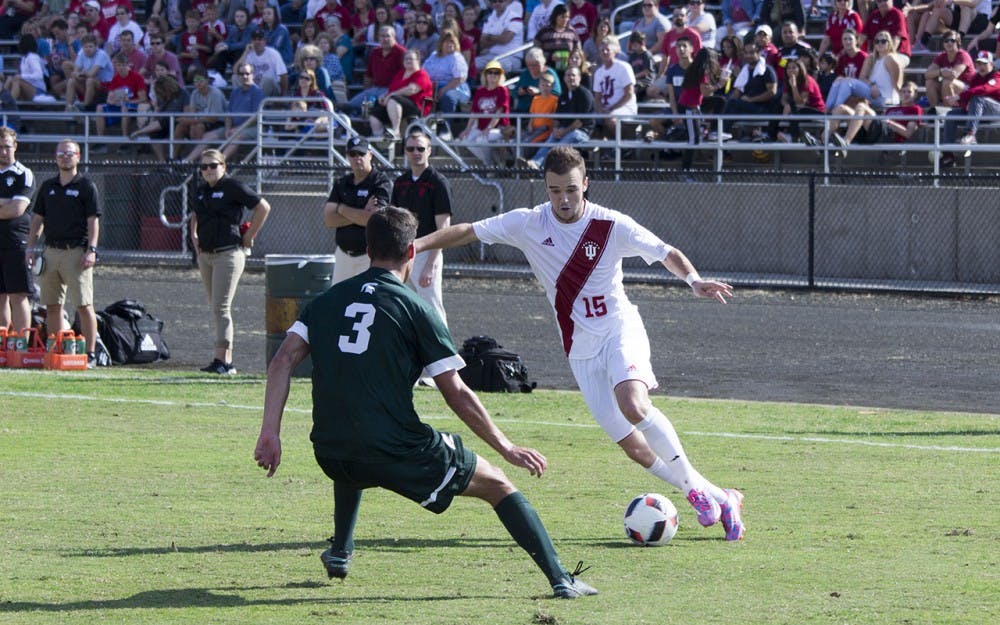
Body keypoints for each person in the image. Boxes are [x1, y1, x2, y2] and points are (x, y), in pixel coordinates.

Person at [253, 205, 598, 600]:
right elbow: (457, 393)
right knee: (500, 485)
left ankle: (340, 552)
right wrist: (506, 446)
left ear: (367, 249)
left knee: (352, 451)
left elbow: (281, 360)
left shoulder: (326, 300)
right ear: (412, 253)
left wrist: (270, 434)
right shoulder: (417, 309)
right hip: (395, 451)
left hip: (331, 451)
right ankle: (561, 579)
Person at [415, 146, 745, 542]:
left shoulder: (610, 224)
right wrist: (416, 246)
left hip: (620, 330)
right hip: (580, 350)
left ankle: (693, 489)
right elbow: (468, 230)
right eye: (555, 191)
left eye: (571, 189)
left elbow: (665, 252)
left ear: (585, 184)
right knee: (636, 449)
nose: (564, 199)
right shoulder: (528, 223)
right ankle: (722, 497)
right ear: (546, 188)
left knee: (634, 405)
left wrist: (694, 281)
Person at [189, 149, 271, 375]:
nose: (208, 170)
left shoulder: (233, 186)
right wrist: (194, 237)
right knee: (215, 307)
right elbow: (195, 214)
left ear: (224, 166)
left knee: (221, 307)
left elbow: (263, 207)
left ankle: (224, 361)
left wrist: (249, 235)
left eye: (213, 165)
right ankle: (221, 360)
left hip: (228, 253)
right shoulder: (200, 191)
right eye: (204, 167)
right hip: (206, 254)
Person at [25, 139, 101, 367]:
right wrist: (30, 247)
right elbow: (37, 219)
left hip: (75, 252)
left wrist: (92, 250)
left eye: (69, 153)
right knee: (52, 305)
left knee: (83, 305)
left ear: (78, 156)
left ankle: (91, 353)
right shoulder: (47, 186)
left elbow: (93, 221)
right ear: (55, 158)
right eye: (61, 153)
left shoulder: (86, 186)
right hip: (51, 251)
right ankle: (56, 349)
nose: (65, 157)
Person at [391, 129, 451, 327]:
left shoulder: (438, 183)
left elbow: (444, 228)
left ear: (429, 151)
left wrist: (431, 264)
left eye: (420, 148)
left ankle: (444, 353)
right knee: (403, 306)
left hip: (426, 252)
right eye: (410, 148)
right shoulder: (400, 183)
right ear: (405, 152)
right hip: (402, 253)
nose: (416, 152)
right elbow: (394, 221)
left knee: (432, 306)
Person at [323, 137, 392, 283]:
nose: (357, 158)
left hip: (369, 257)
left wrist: (341, 208)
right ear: (347, 156)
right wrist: (360, 213)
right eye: (353, 154)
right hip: (343, 255)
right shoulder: (342, 183)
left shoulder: (380, 181)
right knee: (339, 302)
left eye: (361, 154)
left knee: (366, 303)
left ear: (370, 155)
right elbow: (329, 220)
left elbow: (373, 219)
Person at [520, 65, 594, 169]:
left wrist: (564, 131)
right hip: (564, 130)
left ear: (579, 78)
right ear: (564, 78)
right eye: (568, 75)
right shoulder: (564, 95)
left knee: (558, 148)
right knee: (549, 142)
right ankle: (533, 164)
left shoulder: (584, 94)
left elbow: (580, 122)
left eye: (573, 75)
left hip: (580, 132)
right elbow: (557, 118)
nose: (570, 78)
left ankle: (541, 168)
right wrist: (555, 129)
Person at [939, 49, 1000, 167]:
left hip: (996, 112)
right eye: (978, 63)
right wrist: (963, 103)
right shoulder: (976, 78)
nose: (981, 66)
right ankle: (948, 154)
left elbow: (984, 90)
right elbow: (968, 97)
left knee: (978, 97)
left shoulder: (997, 76)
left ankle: (971, 134)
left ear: (991, 64)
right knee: (951, 115)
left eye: (984, 63)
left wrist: (959, 96)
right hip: (978, 113)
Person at [0, 128, 35, 334]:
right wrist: (5, 202)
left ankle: (22, 343)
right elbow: (8, 206)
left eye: (7, 147)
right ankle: (3, 343)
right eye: (0, 147)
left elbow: (17, 209)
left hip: (15, 242)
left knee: (18, 295)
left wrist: (9, 205)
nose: (3, 151)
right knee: (0, 296)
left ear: (15, 146)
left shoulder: (24, 174)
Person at [367, 49, 433, 140]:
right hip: (395, 106)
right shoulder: (400, 73)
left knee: (394, 99)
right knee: (375, 112)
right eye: (406, 59)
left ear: (418, 61)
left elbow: (412, 90)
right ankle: (379, 137)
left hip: (417, 106)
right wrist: (384, 96)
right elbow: (391, 89)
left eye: (411, 59)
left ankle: (396, 131)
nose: (408, 61)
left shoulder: (421, 74)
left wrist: (391, 95)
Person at [344, 25, 406, 116]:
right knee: (351, 105)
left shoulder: (401, 53)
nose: (384, 39)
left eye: (387, 36)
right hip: (375, 89)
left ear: (394, 37)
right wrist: (367, 92)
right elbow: (368, 75)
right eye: (382, 36)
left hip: (391, 91)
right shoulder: (375, 52)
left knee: (371, 108)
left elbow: (406, 76)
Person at [458, 60, 511, 166]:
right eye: (490, 72)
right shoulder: (480, 91)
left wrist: (490, 127)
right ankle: (491, 161)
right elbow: (474, 113)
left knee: (481, 140)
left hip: (499, 128)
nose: (493, 75)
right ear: (485, 75)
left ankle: (488, 166)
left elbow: (499, 112)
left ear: (500, 75)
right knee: (464, 140)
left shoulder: (502, 90)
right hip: (481, 127)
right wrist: (467, 130)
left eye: (496, 72)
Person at [129, 73, 186, 162]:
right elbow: (160, 115)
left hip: (179, 122)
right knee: (155, 133)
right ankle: (162, 161)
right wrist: (156, 107)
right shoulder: (162, 96)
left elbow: (188, 112)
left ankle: (174, 158)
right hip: (164, 122)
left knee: (167, 124)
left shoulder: (183, 94)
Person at [591, 36, 637, 140]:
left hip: (625, 107)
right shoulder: (599, 72)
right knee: (588, 120)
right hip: (606, 109)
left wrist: (612, 108)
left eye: (608, 50)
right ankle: (595, 152)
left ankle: (624, 146)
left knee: (611, 119)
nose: (605, 52)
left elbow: (629, 93)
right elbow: (597, 97)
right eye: (602, 50)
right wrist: (600, 109)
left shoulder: (624, 67)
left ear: (614, 52)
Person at [924, 29, 973, 107]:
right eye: (946, 41)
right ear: (943, 44)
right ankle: (934, 110)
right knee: (929, 82)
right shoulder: (941, 56)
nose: (949, 43)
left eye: (952, 40)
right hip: (948, 86)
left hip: (967, 89)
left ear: (958, 43)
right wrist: (940, 71)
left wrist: (940, 73)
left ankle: (947, 113)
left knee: (947, 81)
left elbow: (953, 75)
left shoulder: (963, 55)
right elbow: (927, 74)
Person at [478, 0, 525, 75]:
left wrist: (489, 36)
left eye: (500, 1)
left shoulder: (515, 17)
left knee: (494, 67)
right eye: (494, 1)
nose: (497, 3)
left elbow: (505, 39)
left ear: (506, 2)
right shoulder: (489, 18)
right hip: (491, 55)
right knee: (473, 64)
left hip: (511, 57)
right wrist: (499, 37)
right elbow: (482, 42)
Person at [4, 34, 48, 103]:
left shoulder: (32, 57)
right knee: (10, 78)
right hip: (27, 87)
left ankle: (9, 106)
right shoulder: (24, 58)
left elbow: (38, 75)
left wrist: (21, 76)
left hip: (37, 90)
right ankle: (2, 102)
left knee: (17, 81)